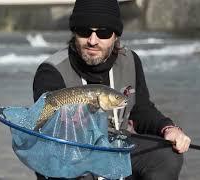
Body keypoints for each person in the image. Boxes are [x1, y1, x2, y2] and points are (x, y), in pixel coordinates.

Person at [32, 0, 191, 179]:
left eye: (103, 33)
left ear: (115, 36)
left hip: (118, 146)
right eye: (84, 31)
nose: (93, 41)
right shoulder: (51, 71)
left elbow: (141, 110)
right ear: (74, 32)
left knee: (167, 156)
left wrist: (168, 128)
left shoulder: (130, 61)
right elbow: (46, 126)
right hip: (71, 152)